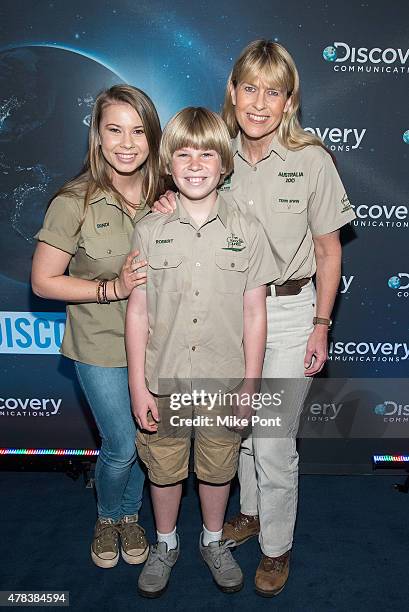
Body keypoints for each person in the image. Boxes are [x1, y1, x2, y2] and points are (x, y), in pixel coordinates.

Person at [153, 40, 356, 597]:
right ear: (233, 93)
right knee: (236, 430)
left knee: (271, 440)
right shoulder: (216, 152)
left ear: (289, 101)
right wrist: (169, 200)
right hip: (225, 311)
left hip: (289, 312)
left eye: (273, 91)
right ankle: (247, 513)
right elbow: (187, 191)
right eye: (249, 88)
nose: (259, 103)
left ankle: (276, 545)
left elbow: (329, 251)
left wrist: (321, 323)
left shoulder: (312, 159)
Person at [126, 107, 277, 598]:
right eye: (184, 155)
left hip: (223, 379)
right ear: (168, 164)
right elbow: (138, 312)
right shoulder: (150, 228)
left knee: (217, 468)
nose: (195, 164)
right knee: (164, 468)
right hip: (163, 378)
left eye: (207, 153)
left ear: (224, 163)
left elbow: (255, 313)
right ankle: (165, 544)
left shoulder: (248, 230)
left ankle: (213, 540)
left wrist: (251, 386)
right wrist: (136, 386)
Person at [31, 85, 162, 569]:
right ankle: (110, 517)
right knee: (121, 443)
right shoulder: (74, 202)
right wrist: (112, 288)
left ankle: (132, 518)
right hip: (100, 342)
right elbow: (44, 282)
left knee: (146, 439)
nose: (127, 143)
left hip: (157, 347)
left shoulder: (168, 196)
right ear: (98, 137)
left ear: (152, 136)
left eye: (138, 130)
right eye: (115, 130)